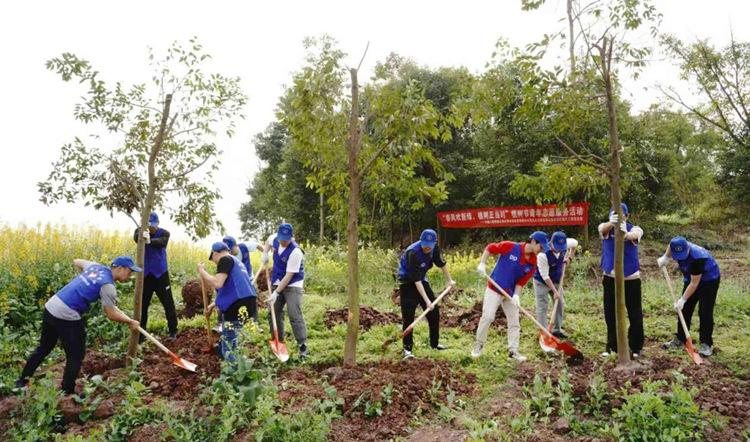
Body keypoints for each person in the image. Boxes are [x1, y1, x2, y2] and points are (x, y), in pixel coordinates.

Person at [14, 257, 141, 394]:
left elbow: (76, 261)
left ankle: (22, 382)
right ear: (119, 268)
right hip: (67, 313)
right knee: (76, 354)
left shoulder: (95, 267)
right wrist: (129, 322)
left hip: (51, 306)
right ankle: (67, 391)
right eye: (129, 272)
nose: (130, 276)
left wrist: (85, 283)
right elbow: (111, 314)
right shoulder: (108, 286)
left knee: (44, 347)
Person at [472, 232, 549, 362]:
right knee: (488, 316)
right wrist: (482, 264)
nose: (541, 251)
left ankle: (513, 351)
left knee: (514, 322)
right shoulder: (510, 247)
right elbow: (490, 248)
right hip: (495, 288)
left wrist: (516, 296)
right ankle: (478, 345)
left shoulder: (532, 263)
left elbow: (521, 281)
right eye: (541, 247)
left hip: (510, 293)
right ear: (534, 242)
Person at [397, 229, 456, 359]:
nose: (427, 248)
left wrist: (450, 280)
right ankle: (407, 350)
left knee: (434, 313)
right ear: (420, 241)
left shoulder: (434, 249)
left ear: (434, 243)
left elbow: (441, 263)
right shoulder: (413, 252)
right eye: (425, 244)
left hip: (422, 281)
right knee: (408, 316)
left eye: (430, 245)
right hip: (408, 283)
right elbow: (415, 280)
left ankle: (434, 344)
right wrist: (427, 301)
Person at [658, 237, 720, 357]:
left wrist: (682, 300)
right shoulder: (676, 244)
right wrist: (665, 257)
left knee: (705, 311)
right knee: (684, 309)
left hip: (709, 280)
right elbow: (670, 245)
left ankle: (706, 344)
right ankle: (680, 339)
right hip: (691, 278)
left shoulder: (698, 258)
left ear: (688, 248)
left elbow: (694, 284)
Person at [197, 242, 257, 362]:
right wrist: (212, 305)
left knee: (229, 345)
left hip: (237, 305)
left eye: (213, 260)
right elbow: (233, 288)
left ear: (214, 253)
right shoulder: (237, 262)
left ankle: (233, 373)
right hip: (247, 302)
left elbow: (217, 283)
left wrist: (202, 272)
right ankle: (223, 353)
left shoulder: (225, 260)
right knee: (229, 337)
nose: (215, 263)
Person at [598, 203, 644, 358]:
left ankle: (635, 346)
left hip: (631, 278)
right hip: (610, 277)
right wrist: (612, 223)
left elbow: (635, 235)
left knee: (634, 313)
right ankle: (612, 346)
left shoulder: (634, 228)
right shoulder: (606, 228)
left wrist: (625, 234)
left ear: (627, 216)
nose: (619, 218)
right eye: (614, 215)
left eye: (622, 215)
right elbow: (602, 229)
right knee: (610, 313)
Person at [260, 222, 309, 358]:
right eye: (281, 238)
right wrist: (265, 253)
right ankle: (278, 341)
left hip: (293, 283)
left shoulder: (295, 251)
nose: (282, 241)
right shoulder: (275, 239)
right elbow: (268, 242)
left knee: (294, 313)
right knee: (273, 312)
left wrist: (277, 292)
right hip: (277, 279)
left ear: (291, 237)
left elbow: (289, 276)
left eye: (285, 239)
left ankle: (302, 345)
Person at [134, 211, 178, 341]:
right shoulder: (139, 231)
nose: (151, 228)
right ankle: (141, 335)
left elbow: (162, 242)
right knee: (143, 305)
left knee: (168, 303)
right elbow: (137, 238)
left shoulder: (165, 233)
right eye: (148, 225)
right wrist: (142, 237)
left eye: (153, 225)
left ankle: (173, 331)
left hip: (160, 274)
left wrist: (150, 241)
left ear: (158, 223)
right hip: (146, 274)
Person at [533, 231, 578, 339]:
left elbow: (575, 244)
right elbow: (545, 276)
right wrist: (555, 291)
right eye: (557, 247)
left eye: (561, 247)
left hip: (557, 279)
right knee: (542, 306)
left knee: (559, 304)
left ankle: (556, 330)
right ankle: (544, 332)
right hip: (542, 282)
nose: (560, 249)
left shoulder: (566, 244)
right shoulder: (542, 254)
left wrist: (569, 258)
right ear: (551, 242)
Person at [222, 236, 261, 327]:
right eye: (228, 250)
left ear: (236, 245)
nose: (230, 252)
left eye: (231, 249)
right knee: (228, 299)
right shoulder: (226, 257)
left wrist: (265, 254)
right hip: (235, 281)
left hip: (249, 278)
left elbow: (258, 245)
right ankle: (222, 322)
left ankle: (254, 322)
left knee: (252, 298)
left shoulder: (245, 246)